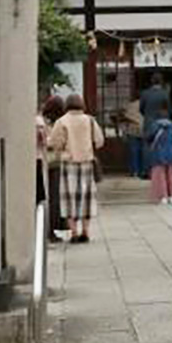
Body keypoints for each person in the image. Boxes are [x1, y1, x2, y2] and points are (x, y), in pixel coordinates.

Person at [49, 93, 105, 244]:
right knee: (86, 198)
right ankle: (85, 232)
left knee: (68, 199)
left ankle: (73, 232)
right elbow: (99, 141)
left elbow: (55, 143)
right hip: (86, 163)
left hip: (69, 164)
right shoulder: (90, 120)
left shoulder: (62, 121)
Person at [41, 94, 66, 241]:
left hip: (45, 163)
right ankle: (52, 229)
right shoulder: (57, 124)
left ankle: (51, 229)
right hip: (55, 163)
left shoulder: (43, 122)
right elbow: (53, 143)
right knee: (54, 198)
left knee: (48, 197)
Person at [148, 104, 172, 204]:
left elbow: (149, 138)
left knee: (160, 175)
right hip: (171, 152)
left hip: (158, 152)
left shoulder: (154, 125)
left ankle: (163, 196)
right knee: (171, 175)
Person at [122, 95, 145, 179]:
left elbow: (126, 117)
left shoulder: (130, 105)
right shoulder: (145, 104)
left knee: (134, 152)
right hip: (143, 130)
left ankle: (135, 171)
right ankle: (142, 171)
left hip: (132, 130)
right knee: (143, 151)